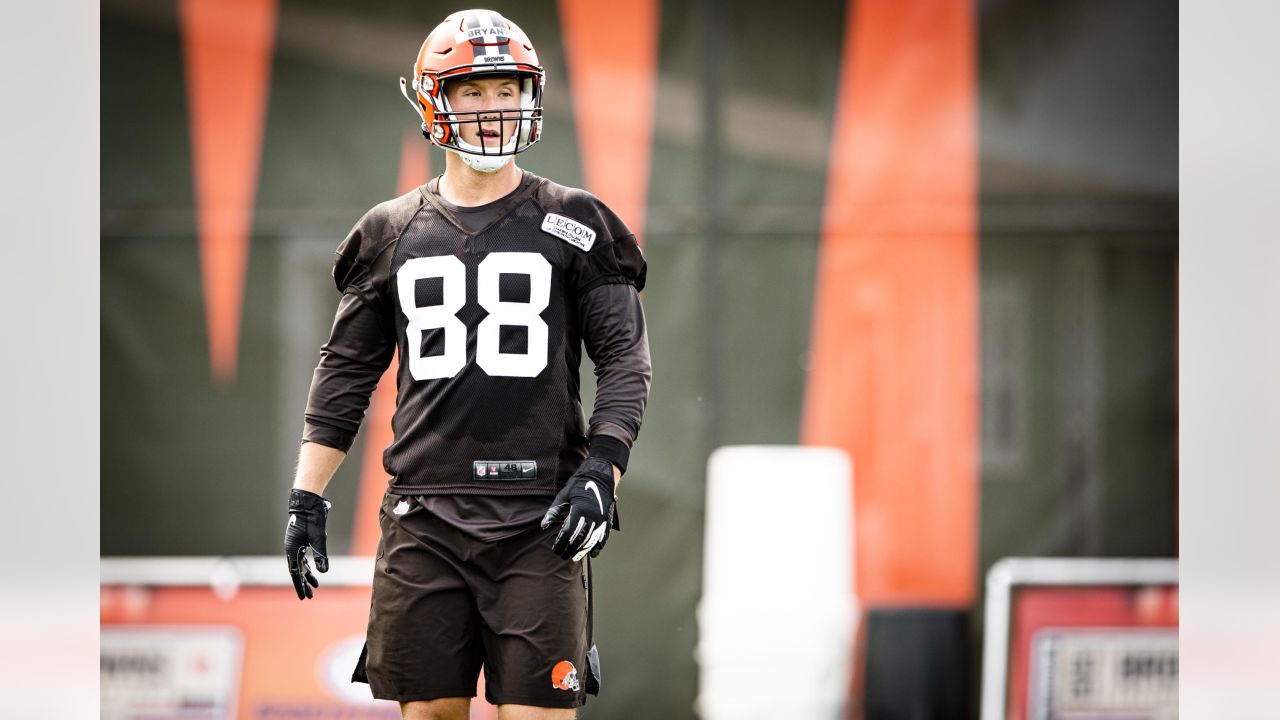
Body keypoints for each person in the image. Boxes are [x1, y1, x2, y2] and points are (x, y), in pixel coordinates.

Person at [281, 8, 651, 719]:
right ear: (433, 101)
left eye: (506, 89)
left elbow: (625, 360)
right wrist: (307, 497)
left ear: (531, 97)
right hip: (423, 515)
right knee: (429, 715)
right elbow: (345, 375)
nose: (493, 108)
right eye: (472, 91)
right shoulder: (389, 232)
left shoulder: (575, 222)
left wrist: (601, 471)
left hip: (540, 519)